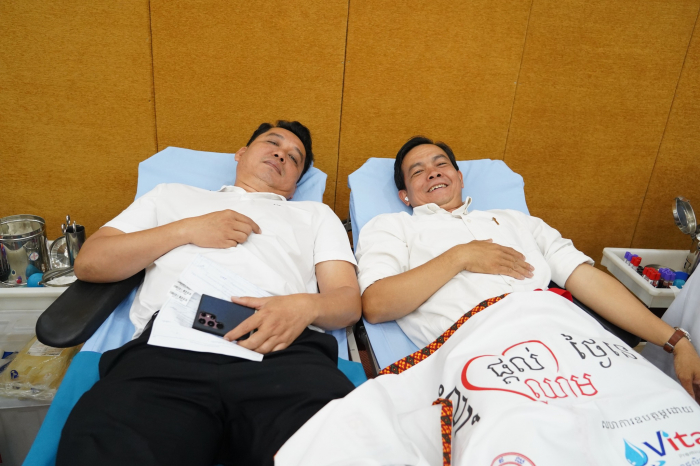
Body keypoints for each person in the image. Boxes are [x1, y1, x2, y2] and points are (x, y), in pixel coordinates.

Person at [57, 121, 361, 466]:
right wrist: (188, 229)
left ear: (294, 185)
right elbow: (91, 263)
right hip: (170, 349)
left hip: (280, 348)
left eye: (294, 158)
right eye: (272, 143)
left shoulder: (314, 215)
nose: (281, 155)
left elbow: (347, 302)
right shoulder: (171, 195)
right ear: (241, 153)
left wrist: (305, 306)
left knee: (340, 451)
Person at [356, 135, 700, 401]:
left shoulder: (517, 221)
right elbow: (376, 304)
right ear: (405, 196)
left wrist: (676, 342)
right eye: (417, 171)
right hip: (482, 352)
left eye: (440, 164)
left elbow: (585, 279)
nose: (432, 172)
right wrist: (460, 257)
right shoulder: (392, 227)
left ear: (459, 177)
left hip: (565, 337)